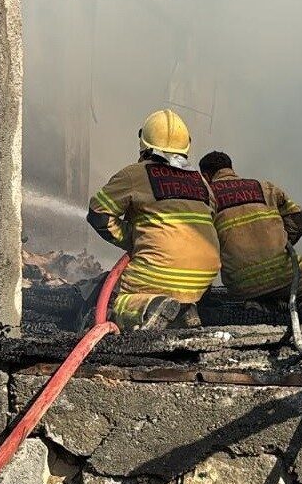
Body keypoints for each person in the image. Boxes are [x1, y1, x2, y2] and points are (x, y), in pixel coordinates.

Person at [86, 109, 220, 331]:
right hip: (202, 281)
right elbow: (208, 221)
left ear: (143, 142)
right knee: (180, 294)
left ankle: (152, 305)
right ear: (187, 145)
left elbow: (98, 214)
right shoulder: (200, 181)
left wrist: (132, 238)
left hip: (158, 275)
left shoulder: (134, 174)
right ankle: (185, 310)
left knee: (107, 300)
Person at [198, 150, 302, 319]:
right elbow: (298, 220)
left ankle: (262, 304)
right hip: (285, 273)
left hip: (241, 285)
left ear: (205, 176)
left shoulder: (205, 199)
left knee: (258, 295)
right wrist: (280, 244)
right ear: (230, 169)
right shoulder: (265, 187)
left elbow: (201, 245)